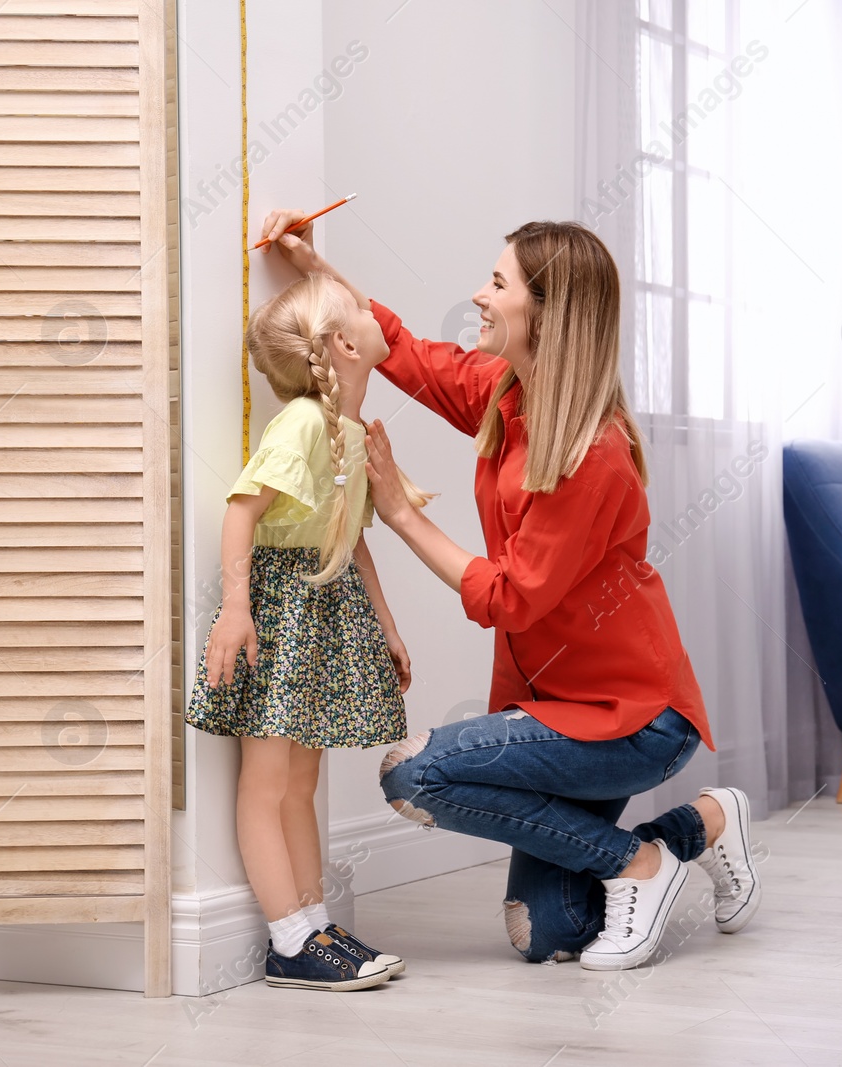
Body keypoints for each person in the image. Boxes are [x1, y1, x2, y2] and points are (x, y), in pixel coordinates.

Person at [258, 211, 763, 970]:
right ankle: (699, 828)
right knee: (549, 931)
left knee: (412, 773)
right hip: (552, 710)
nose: (479, 296)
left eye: (497, 283)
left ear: (546, 313)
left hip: (632, 719)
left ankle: (640, 867)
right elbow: (405, 352)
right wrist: (314, 269)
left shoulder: (594, 452)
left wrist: (395, 511)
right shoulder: (509, 391)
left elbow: (508, 598)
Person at [186, 272, 428, 990]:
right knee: (267, 780)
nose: (370, 303)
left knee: (302, 779)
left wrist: (384, 620)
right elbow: (242, 509)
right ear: (346, 344)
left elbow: (351, 537)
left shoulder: (347, 430)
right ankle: (285, 936)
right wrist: (237, 606)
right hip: (286, 607)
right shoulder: (298, 425)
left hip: (325, 605)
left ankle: (313, 922)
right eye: (358, 305)